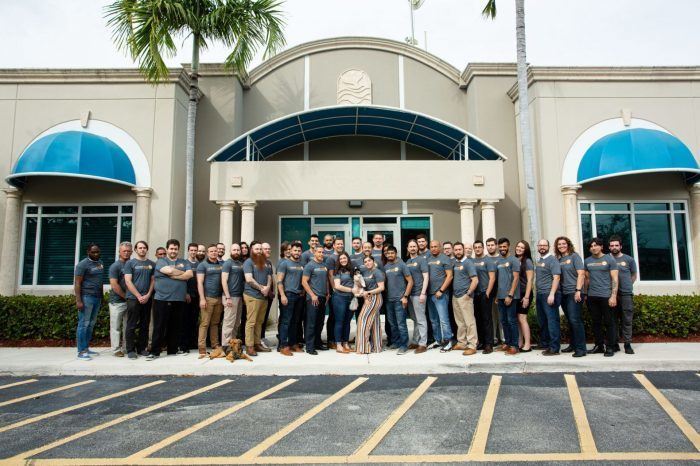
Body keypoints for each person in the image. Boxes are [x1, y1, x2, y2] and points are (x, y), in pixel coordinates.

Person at [149, 239, 192, 360]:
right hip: (162, 299)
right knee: (159, 326)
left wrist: (174, 275)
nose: (173, 251)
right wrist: (180, 274)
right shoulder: (161, 261)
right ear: (167, 249)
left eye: (176, 249)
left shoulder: (183, 261)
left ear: (178, 250)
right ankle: (154, 352)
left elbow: (189, 275)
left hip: (178, 299)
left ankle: (172, 350)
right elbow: (169, 270)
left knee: (175, 326)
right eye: (171, 248)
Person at [584, 237, 619, 357]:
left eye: (596, 245)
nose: (593, 248)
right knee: (596, 322)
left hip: (606, 296)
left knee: (609, 322)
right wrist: (585, 294)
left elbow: (615, 279)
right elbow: (587, 279)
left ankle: (610, 346)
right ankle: (599, 346)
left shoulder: (610, 260)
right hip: (592, 296)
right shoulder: (587, 261)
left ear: (601, 246)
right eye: (591, 246)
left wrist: (613, 296)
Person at [555, 236, 587, 358]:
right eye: (559, 244)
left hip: (574, 293)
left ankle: (581, 348)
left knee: (575, 320)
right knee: (570, 320)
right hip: (563, 294)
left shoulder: (575, 256)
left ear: (568, 244)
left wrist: (578, 290)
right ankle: (573, 344)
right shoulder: (559, 259)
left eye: (563, 244)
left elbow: (581, 274)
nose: (561, 246)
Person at [124, 241, 156, 359]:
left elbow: (153, 280)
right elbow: (128, 281)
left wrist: (148, 295)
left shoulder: (152, 264)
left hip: (147, 298)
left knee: (145, 324)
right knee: (131, 325)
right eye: (140, 248)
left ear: (147, 250)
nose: (142, 250)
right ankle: (130, 350)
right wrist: (138, 295)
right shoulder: (130, 263)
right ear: (136, 250)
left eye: (144, 248)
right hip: (133, 298)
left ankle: (142, 348)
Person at [74, 243, 105, 361]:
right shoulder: (82, 265)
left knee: (91, 324)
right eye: (93, 252)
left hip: (97, 297)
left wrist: (102, 296)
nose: (96, 254)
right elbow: (77, 283)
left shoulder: (100, 263)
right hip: (86, 297)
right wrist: (78, 300)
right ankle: (81, 351)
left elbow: (100, 281)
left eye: (97, 252)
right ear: (88, 252)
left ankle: (86, 348)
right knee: (84, 324)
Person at [242, 242, 273, 357]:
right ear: (252, 250)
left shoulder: (267, 262)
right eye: (257, 249)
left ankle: (257, 343)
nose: (259, 251)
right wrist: (261, 288)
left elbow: (269, 277)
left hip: (263, 296)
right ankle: (249, 346)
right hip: (252, 295)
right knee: (251, 322)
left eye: (260, 249)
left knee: (259, 322)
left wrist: (268, 287)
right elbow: (249, 279)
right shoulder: (248, 262)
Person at [609, 235, 637, 355]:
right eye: (612, 245)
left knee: (627, 319)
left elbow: (634, 275)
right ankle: (614, 343)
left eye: (616, 245)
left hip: (625, 293)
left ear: (620, 246)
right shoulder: (606, 259)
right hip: (610, 294)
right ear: (609, 247)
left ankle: (627, 343)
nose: (614, 247)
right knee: (612, 319)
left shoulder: (629, 259)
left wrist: (627, 285)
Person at [276, 241, 305, 356]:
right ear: (290, 251)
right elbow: (279, 280)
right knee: (285, 321)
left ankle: (293, 343)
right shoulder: (284, 263)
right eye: (295, 250)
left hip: (299, 296)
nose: (297, 252)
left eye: (299, 250)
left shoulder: (301, 264)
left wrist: (302, 290)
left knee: (295, 322)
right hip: (288, 295)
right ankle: (283, 345)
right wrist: (282, 295)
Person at [383, 245, 413, 354]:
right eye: (388, 253)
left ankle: (404, 345)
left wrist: (405, 296)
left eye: (392, 253)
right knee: (392, 323)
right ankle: (396, 342)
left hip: (400, 300)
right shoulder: (385, 267)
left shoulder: (402, 265)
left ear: (396, 253)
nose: (390, 255)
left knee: (401, 323)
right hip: (389, 300)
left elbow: (410, 281)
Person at [196, 244, 225, 359]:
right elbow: (199, 283)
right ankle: (201, 347)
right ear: (207, 253)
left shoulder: (222, 265)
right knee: (205, 323)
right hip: (208, 298)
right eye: (211, 251)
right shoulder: (203, 265)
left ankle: (215, 344)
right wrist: (202, 298)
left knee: (215, 323)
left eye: (215, 251)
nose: (214, 253)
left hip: (219, 298)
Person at [534, 239, 562, 356]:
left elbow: (557, 278)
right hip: (540, 294)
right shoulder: (540, 260)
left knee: (552, 321)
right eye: (540, 245)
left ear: (548, 246)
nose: (542, 247)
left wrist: (552, 294)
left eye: (544, 245)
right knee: (543, 320)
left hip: (549, 294)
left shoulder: (552, 260)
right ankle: (545, 342)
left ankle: (554, 348)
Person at [426, 240, 454, 352]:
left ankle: (448, 341)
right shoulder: (428, 259)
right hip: (430, 294)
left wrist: (441, 290)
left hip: (440, 294)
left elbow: (450, 276)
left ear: (440, 247)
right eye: (431, 247)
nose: (433, 248)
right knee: (433, 320)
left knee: (443, 319)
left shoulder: (445, 259)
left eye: (435, 246)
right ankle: (438, 340)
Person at [451, 242, 479, 355]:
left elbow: (475, 280)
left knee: (469, 322)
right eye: (456, 250)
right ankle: (462, 342)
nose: (458, 252)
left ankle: (472, 345)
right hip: (455, 296)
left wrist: (468, 293)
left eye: (459, 249)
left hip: (465, 296)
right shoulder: (455, 263)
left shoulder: (468, 263)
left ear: (463, 250)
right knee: (460, 322)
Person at [302, 245, 329, 355]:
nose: (321, 254)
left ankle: (317, 343)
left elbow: (326, 280)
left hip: (322, 297)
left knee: (320, 322)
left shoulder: (324, 265)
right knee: (311, 323)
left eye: (322, 252)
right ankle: (310, 347)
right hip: (313, 298)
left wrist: (327, 293)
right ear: (314, 253)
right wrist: (312, 295)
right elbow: (304, 282)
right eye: (319, 252)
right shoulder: (309, 265)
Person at [495, 238, 520, 355]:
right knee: (503, 321)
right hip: (500, 296)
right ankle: (507, 343)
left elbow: (516, 278)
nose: (502, 249)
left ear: (508, 246)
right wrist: (497, 295)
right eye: (500, 247)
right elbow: (499, 279)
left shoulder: (514, 260)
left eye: (504, 247)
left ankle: (514, 346)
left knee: (511, 321)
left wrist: (510, 295)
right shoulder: (499, 261)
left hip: (511, 296)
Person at [356, 255, 385, 354]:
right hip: (369, 297)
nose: (367, 263)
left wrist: (368, 293)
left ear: (373, 261)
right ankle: (377, 347)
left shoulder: (377, 272)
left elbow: (381, 287)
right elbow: (363, 286)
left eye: (369, 261)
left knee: (362, 319)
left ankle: (363, 348)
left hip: (375, 297)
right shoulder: (366, 272)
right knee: (374, 322)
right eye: (365, 261)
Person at [108, 241, 132, 357]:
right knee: (116, 327)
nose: (126, 253)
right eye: (124, 251)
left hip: (130, 301)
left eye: (128, 251)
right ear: (119, 252)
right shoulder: (115, 266)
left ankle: (127, 347)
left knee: (128, 326)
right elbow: (114, 285)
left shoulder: (132, 264)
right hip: (117, 301)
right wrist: (126, 296)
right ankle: (116, 349)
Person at [405, 239, 429, 353]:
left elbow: (426, 277)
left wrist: (423, 293)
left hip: (419, 294)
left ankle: (423, 344)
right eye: (411, 246)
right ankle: (415, 341)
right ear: (408, 248)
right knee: (414, 319)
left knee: (421, 319)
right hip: (410, 295)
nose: (413, 248)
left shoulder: (421, 260)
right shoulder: (408, 262)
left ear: (417, 248)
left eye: (414, 246)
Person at [473, 240, 496, 354]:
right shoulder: (472, 261)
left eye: (479, 247)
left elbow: (492, 277)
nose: (477, 249)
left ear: (483, 248)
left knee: (486, 319)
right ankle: (481, 342)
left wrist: (488, 291)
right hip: (475, 294)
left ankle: (489, 344)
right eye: (475, 247)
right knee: (478, 318)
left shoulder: (488, 260)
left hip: (484, 293)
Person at [221, 243, 245, 353]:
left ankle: (233, 344)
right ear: (230, 251)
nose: (236, 252)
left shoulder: (240, 264)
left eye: (238, 250)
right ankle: (226, 346)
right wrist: (227, 297)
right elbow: (223, 281)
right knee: (229, 322)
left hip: (239, 296)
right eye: (234, 250)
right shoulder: (227, 263)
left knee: (236, 322)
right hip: (230, 296)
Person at [332, 252, 355, 353]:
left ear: (348, 259)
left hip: (351, 299)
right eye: (340, 259)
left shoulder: (352, 271)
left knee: (347, 322)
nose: (343, 260)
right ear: (339, 261)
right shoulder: (337, 272)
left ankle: (345, 343)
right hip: (339, 298)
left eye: (344, 258)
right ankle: (338, 344)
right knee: (339, 321)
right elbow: (337, 286)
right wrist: (351, 290)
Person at [325, 238, 345, 347]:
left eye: (341, 244)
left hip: (342, 290)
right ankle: (331, 340)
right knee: (333, 316)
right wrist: (334, 288)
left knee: (340, 316)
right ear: (333, 246)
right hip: (335, 291)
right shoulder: (331, 258)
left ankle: (339, 338)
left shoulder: (343, 257)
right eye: (338, 244)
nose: (340, 245)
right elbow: (330, 274)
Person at [515, 240, 534, 352]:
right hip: (516, 294)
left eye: (522, 247)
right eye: (518, 246)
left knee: (522, 318)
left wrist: (526, 297)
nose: (519, 249)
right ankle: (520, 342)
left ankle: (527, 345)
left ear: (525, 249)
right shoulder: (515, 259)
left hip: (524, 294)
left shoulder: (528, 261)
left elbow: (530, 280)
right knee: (518, 319)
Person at [181, 243, 200, 352]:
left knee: (194, 320)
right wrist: (186, 293)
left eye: (195, 250)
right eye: (191, 250)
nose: (193, 252)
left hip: (197, 295)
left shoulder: (199, 264)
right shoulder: (184, 263)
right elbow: (183, 279)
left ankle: (193, 343)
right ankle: (184, 345)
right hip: (187, 295)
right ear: (188, 251)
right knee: (185, 321)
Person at [486, 237, 504, 346]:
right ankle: (493, 339)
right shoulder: (484, 259)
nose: (490, 247)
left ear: (496, 246)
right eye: (488, 245)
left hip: (500, 292)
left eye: (492, 245)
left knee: (501, 317)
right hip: (488, 293)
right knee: (491, 317)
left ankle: (504, 339)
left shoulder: (502, 258)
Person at [260, 242, 275, 346]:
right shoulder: (257, 262)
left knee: (264, 318)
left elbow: (270, 278)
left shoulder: (269, 263)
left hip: (269, 295)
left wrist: (272, 292)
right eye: (265, 249)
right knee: (258, 319)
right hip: (260, 295)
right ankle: (257, 340)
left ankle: (262, 337)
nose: (268, 250)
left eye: (269, 249)